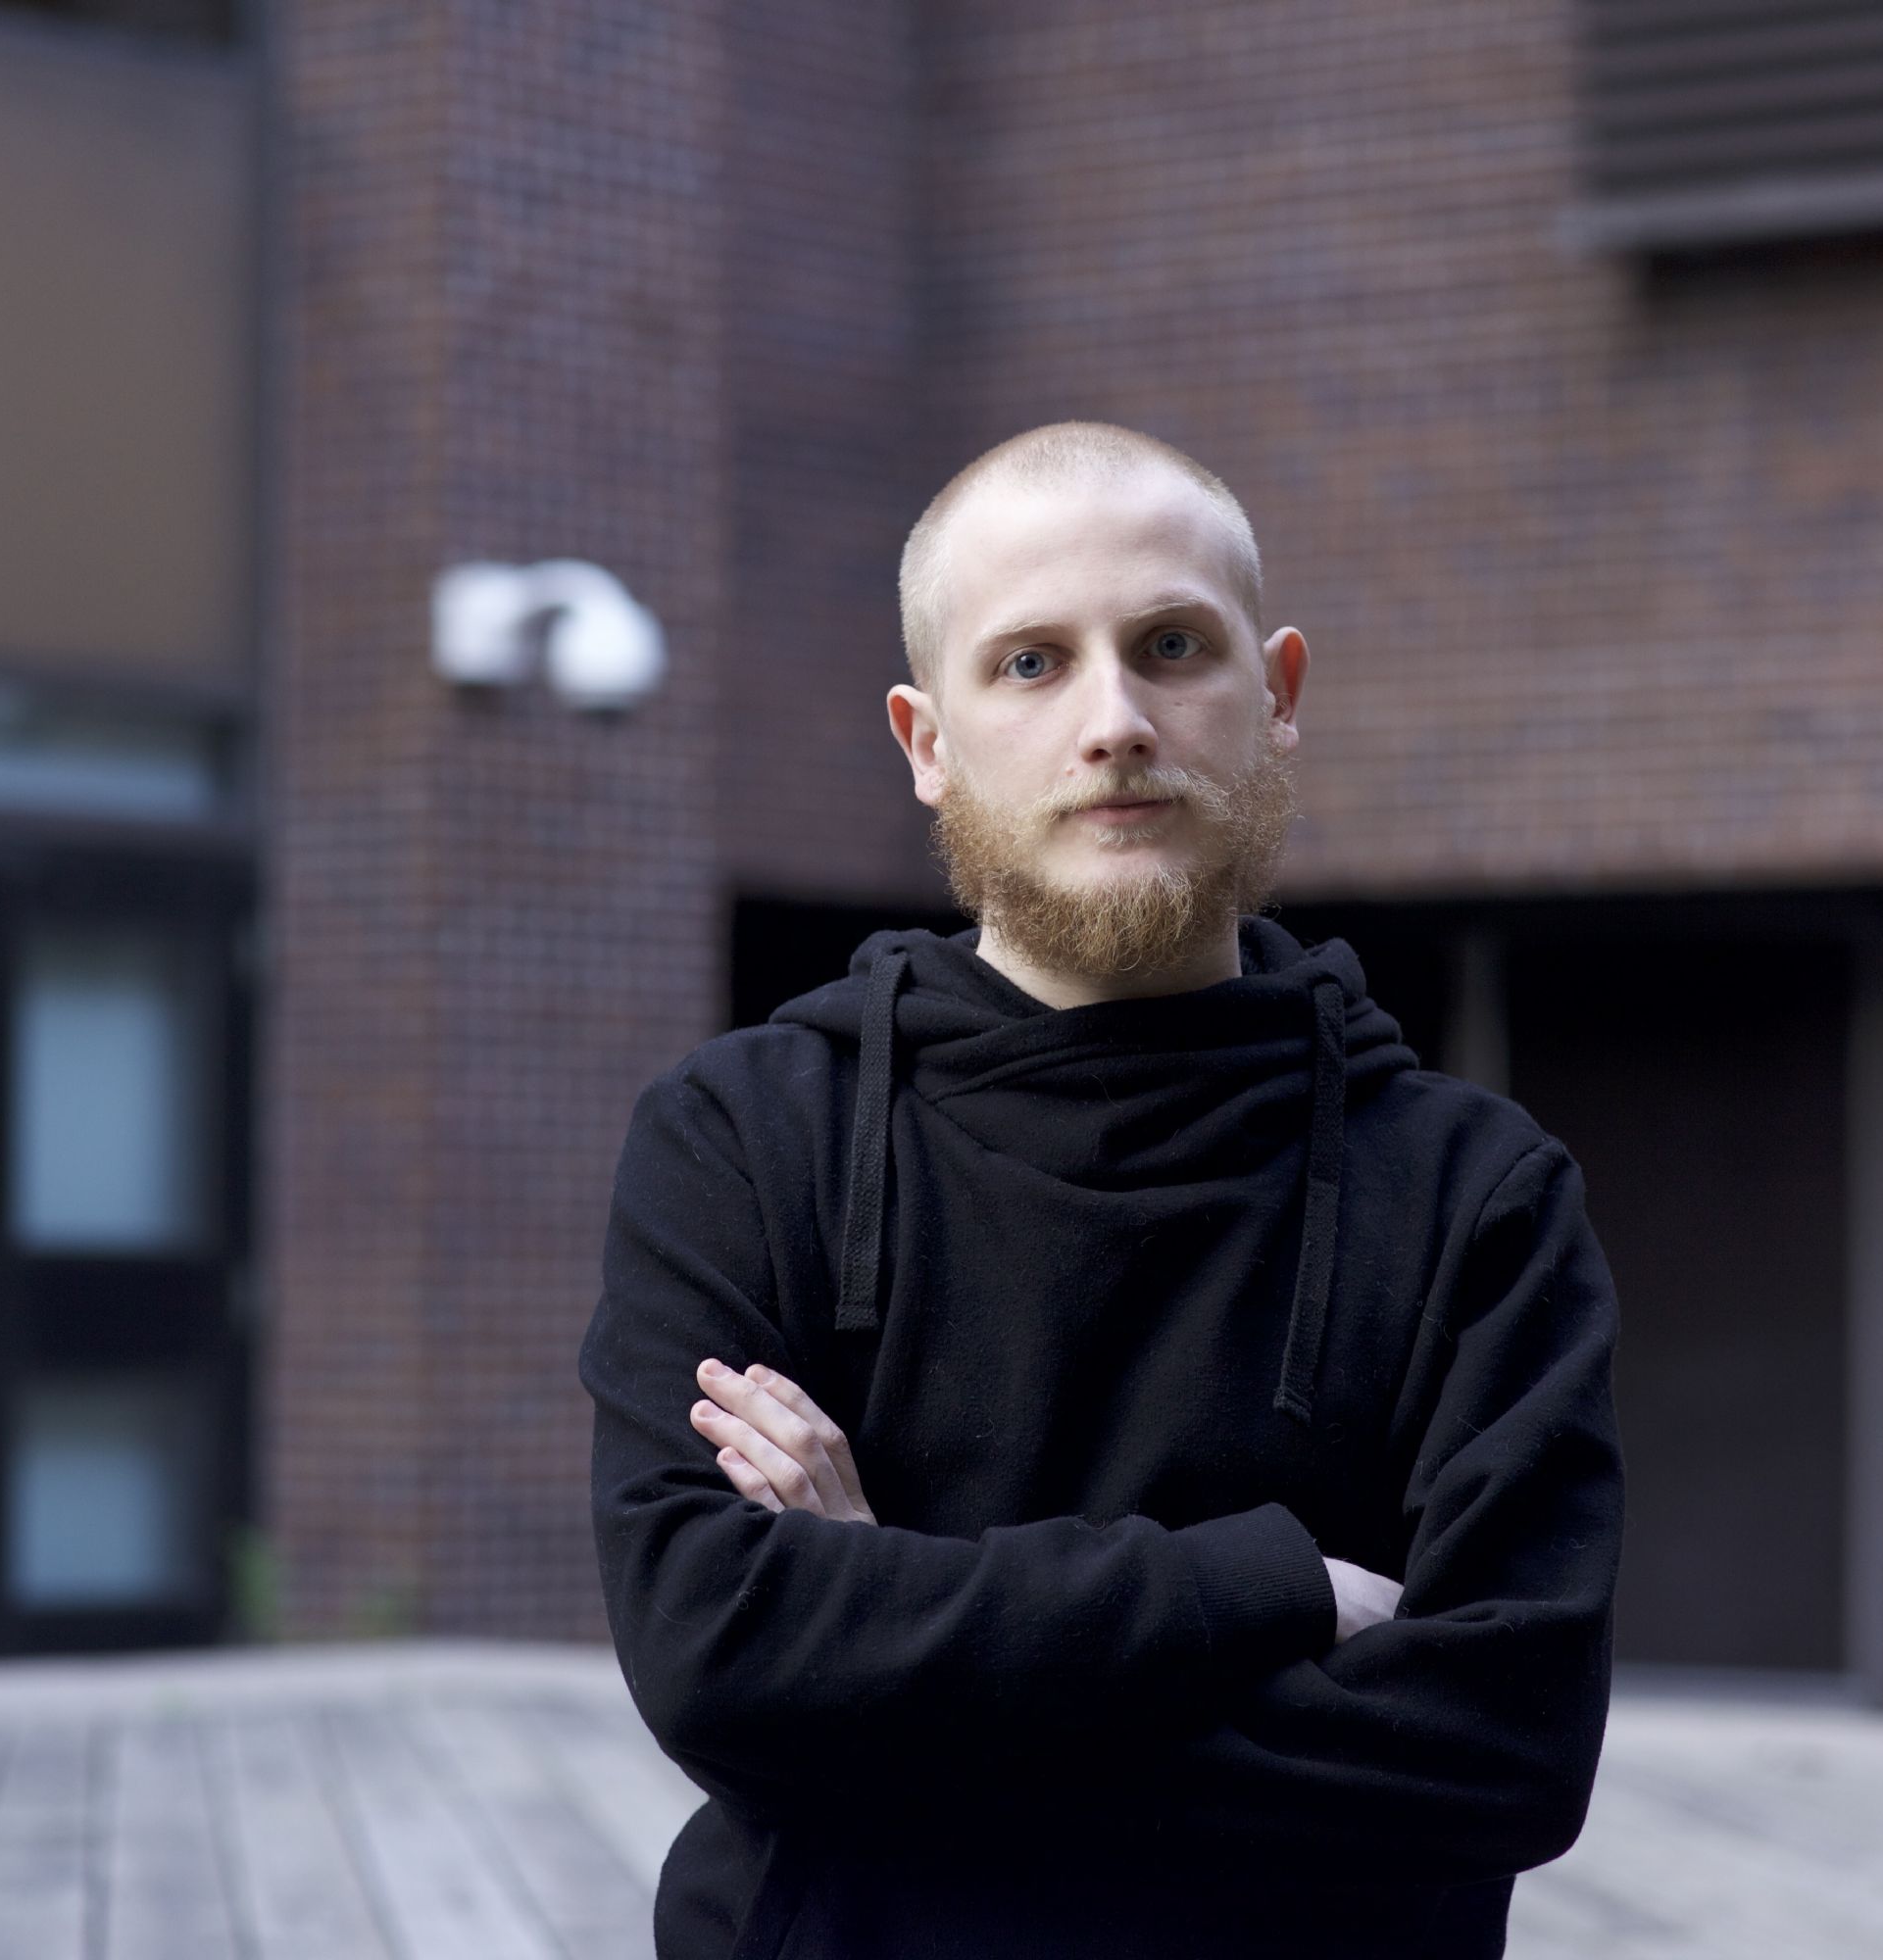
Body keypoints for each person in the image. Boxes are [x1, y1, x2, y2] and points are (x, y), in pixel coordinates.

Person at [580, 420, 1624, 1959]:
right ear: (926, 740)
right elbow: (719, 1661)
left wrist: (882, 1640)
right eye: (1031, 664)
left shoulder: (1479, 1195)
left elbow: (1500, 1752)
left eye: (1171, 647)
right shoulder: (744, 1138)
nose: (1116, 722)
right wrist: (1267, 1589)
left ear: (1278, 694)